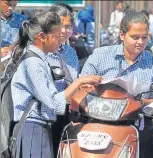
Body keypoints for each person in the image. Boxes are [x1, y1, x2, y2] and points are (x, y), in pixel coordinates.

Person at [11, 12, 102, 158]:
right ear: (41, 37)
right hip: (33, 128)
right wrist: (79, 82)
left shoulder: (38, 59)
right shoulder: (33, 63)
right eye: (56, 36)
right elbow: (53, 101)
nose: (60, 40)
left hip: (39, 128)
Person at [80, 11, 153, 158]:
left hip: (140, 129)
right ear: (122, 35)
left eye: (144, 37)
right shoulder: (100, 56)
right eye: (135, 37)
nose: (140, 42)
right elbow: (81, 87)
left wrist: (139, 102)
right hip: (100, 127)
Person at [48, 3, 80, 156]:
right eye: (60, 25)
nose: (64, 31)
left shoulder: (70, 53)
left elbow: (74, 81)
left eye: (68, 27)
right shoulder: (39, 51)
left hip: (68, 115)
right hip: (45, 116)